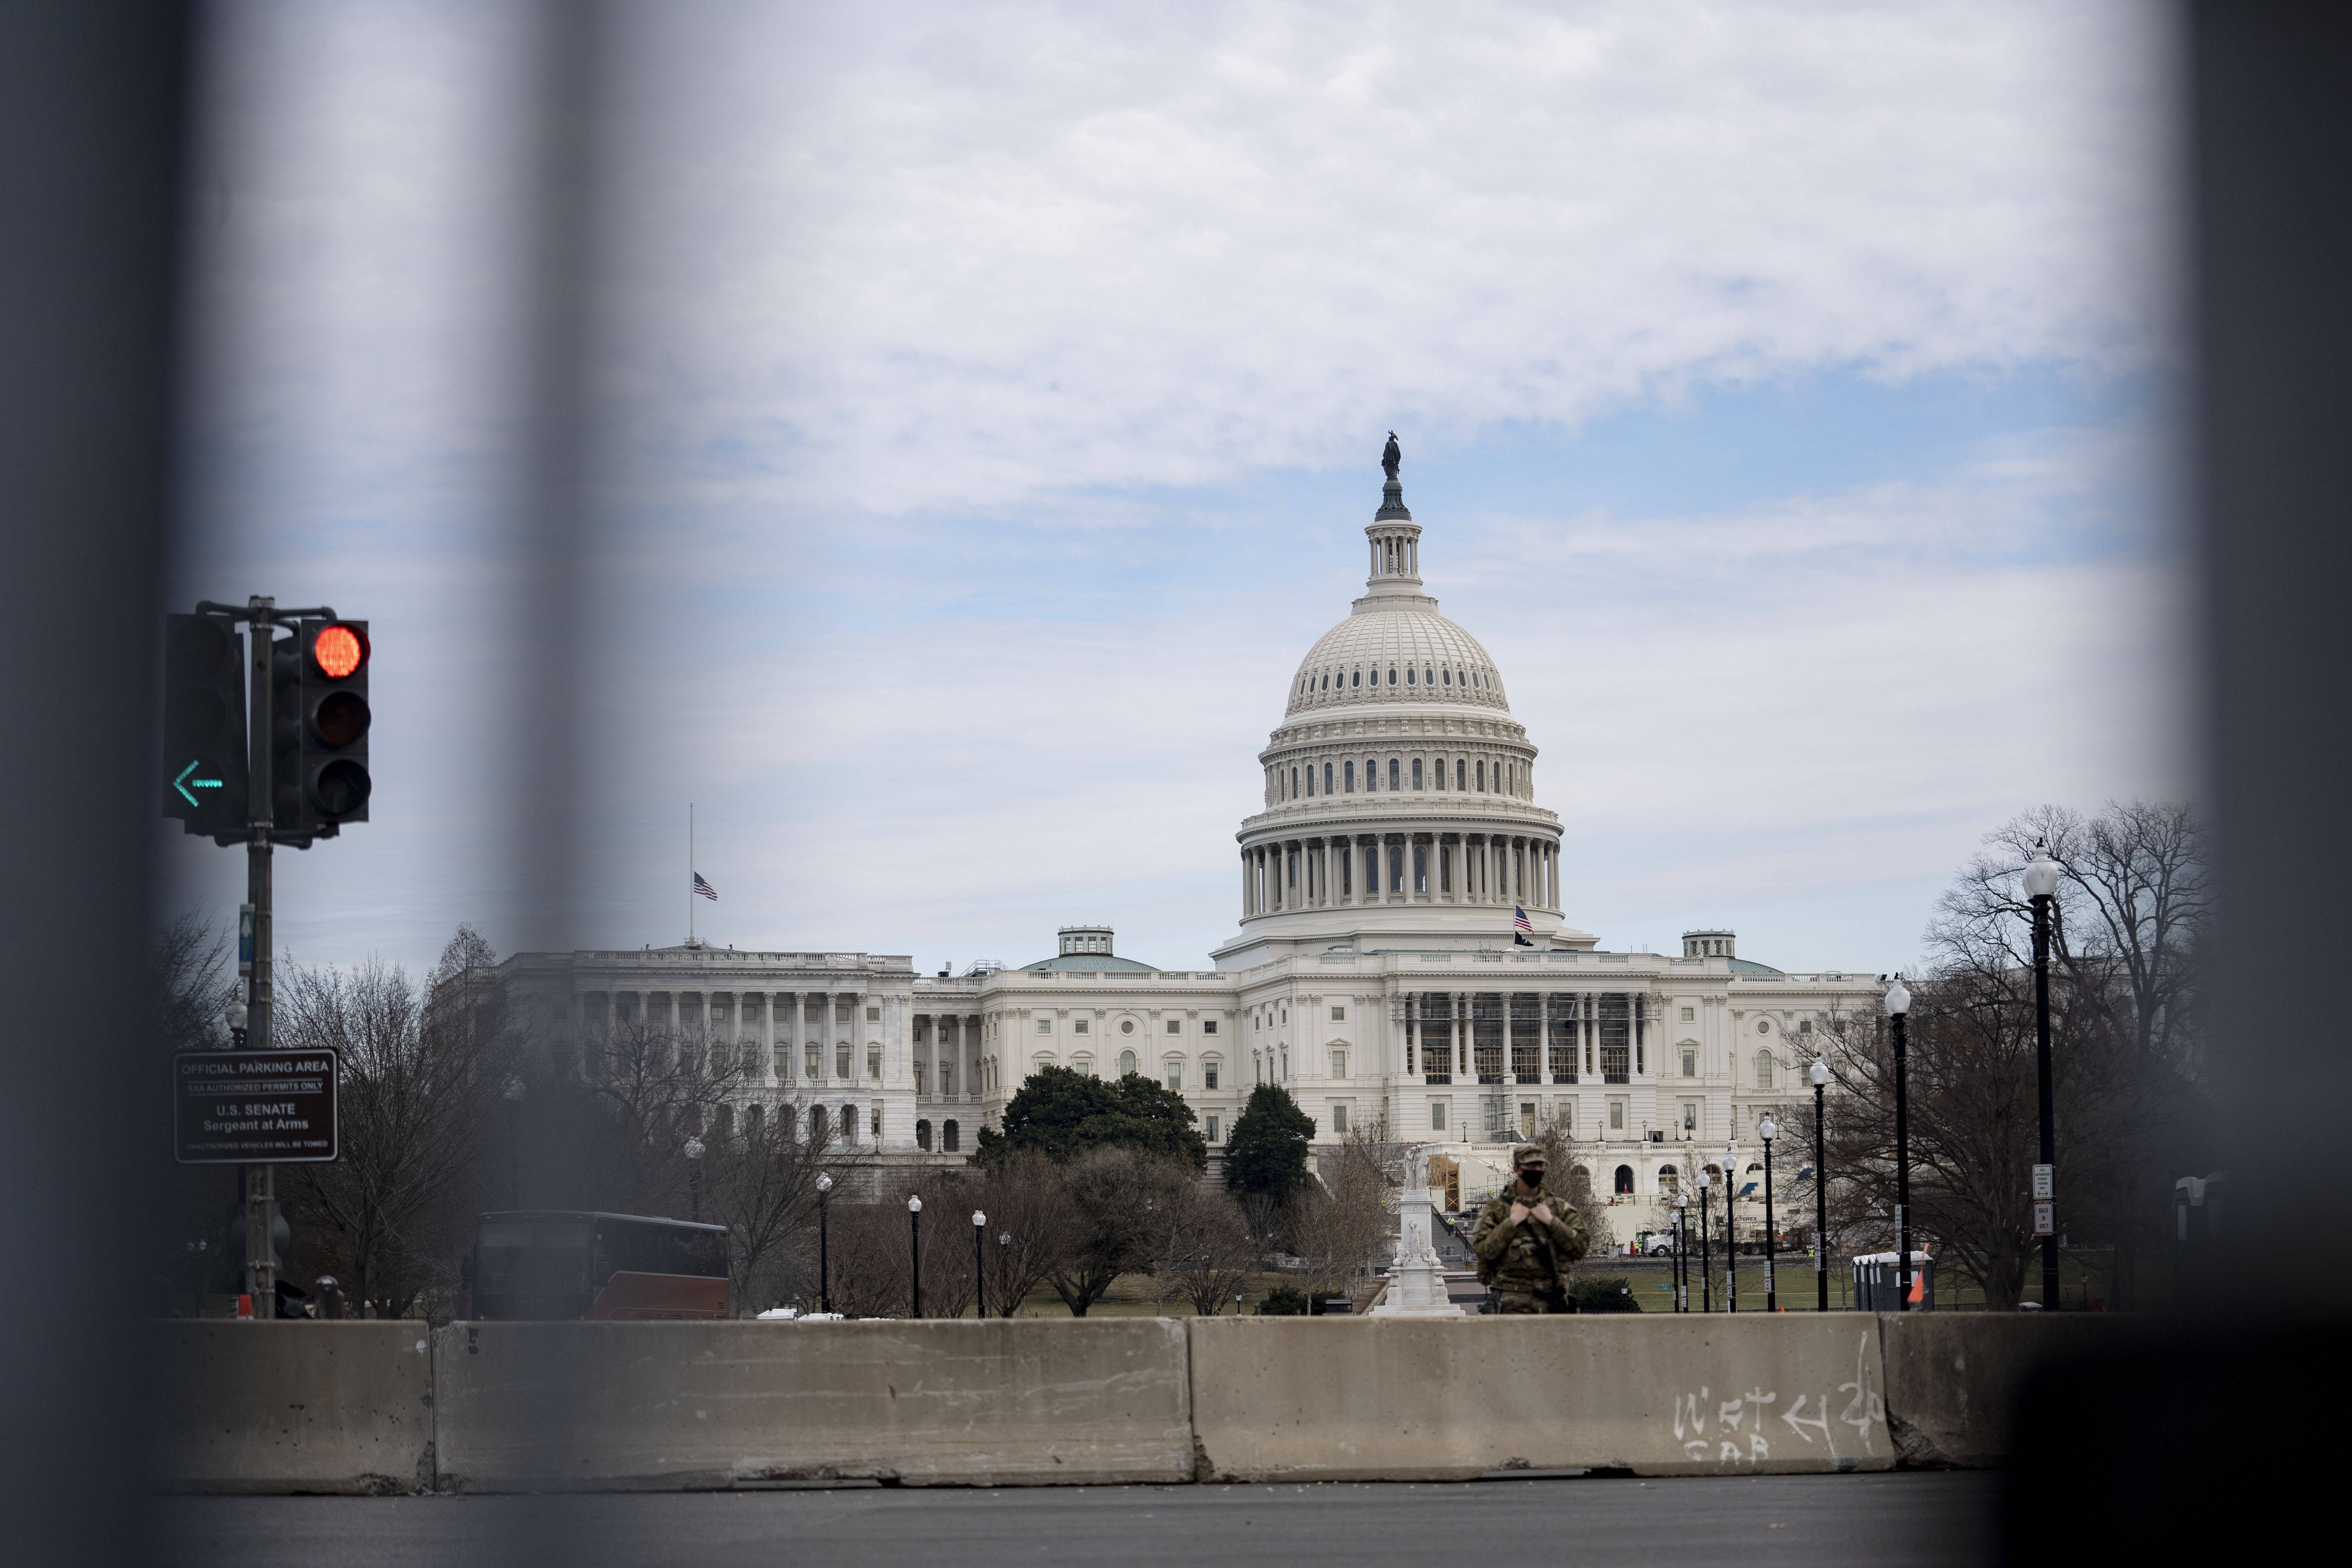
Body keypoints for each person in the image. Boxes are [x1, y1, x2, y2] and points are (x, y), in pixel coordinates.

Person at [1470, 1144, 1588, 1313]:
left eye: (1540, 1166)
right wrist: (1511, 1223)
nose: (1537, 1170)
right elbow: (1482, 1250)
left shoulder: (1559, 1209)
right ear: (1517, 1169)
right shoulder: (1496, 1210)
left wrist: (1551, 1221)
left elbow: (1581, 1247)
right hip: (1510, 1304)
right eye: (1532, 1166)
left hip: (1551, 1301)